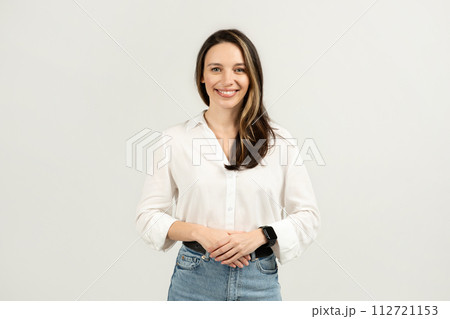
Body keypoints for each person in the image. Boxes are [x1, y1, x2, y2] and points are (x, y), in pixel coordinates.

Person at [135, 28, 320, 301]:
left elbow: (308, 216)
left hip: (259, 282)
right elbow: (148, 216)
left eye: (239, 70)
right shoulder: (174, 139)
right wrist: (201, 233)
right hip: (194, 282)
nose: (227, 80)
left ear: (252, 76)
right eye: (216, 69)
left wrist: (261, 235)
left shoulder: (280, 140)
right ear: (202, 76)